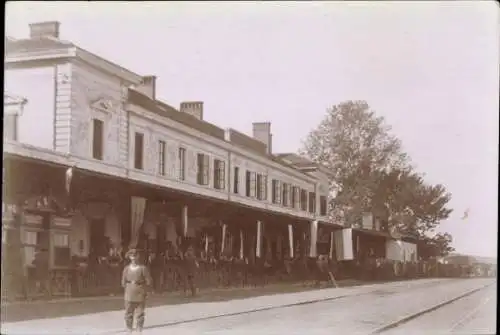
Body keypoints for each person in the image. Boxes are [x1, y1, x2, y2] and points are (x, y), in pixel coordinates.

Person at [122, 249, 152, 334]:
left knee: (140, 314)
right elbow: (123, 282)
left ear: (138, 256)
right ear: (129, 257)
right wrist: (128, 289)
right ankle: (129, 329)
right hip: (129, 294)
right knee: (128, 313)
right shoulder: (126, 269)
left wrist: (145, 291)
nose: (133, 258)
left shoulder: (143, 268)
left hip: (140, 294)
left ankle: (139, 330)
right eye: (132, 256)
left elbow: (148, 281)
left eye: (135, 256)